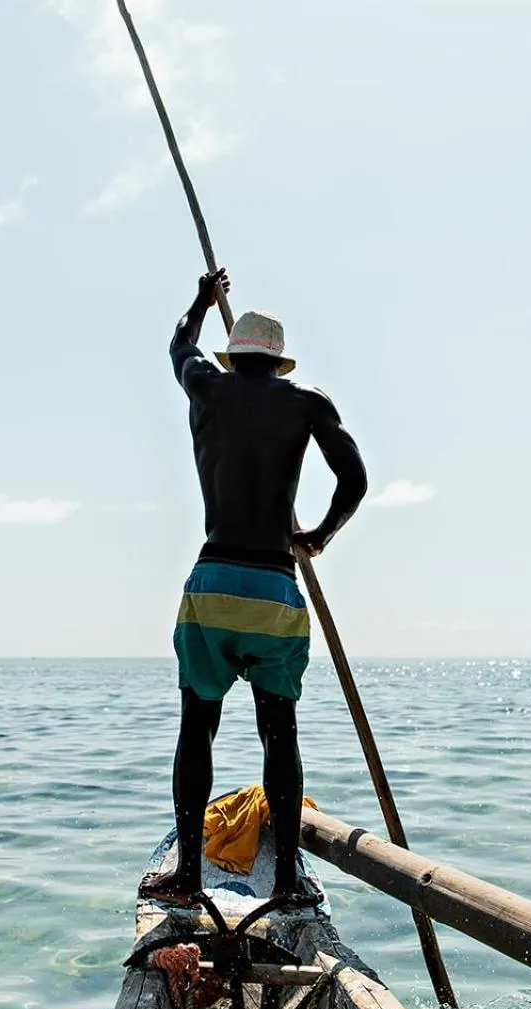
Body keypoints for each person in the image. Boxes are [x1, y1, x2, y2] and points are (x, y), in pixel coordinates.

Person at [138, 267, 368, 908]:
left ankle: (187, 874)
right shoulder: (307, 403)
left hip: (213, 588)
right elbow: (355, 480)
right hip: (274, 589)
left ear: (233, 353)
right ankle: (290, 881)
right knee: (280, 734)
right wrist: (319, 534)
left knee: (196, 728)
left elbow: (178, 344)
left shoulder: (205, 387)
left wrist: (199, 300)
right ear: (278, 361)